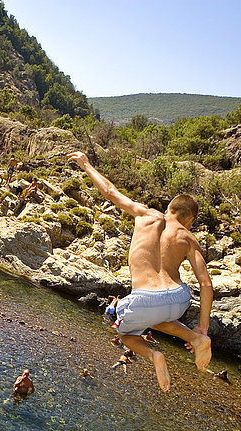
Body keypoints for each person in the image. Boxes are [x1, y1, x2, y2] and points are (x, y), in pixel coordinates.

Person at [68, 151, 213, 392]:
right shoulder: (189, 239)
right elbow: (206, 284)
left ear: (169, 208)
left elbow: (110, 192)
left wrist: (86, 164)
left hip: (146, 299)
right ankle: (196, 337)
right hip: (179, 298)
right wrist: (203, 326)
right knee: (158, 318)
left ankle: (154, 355)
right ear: (190, 219)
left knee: (125, 335)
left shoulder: (147, 215)